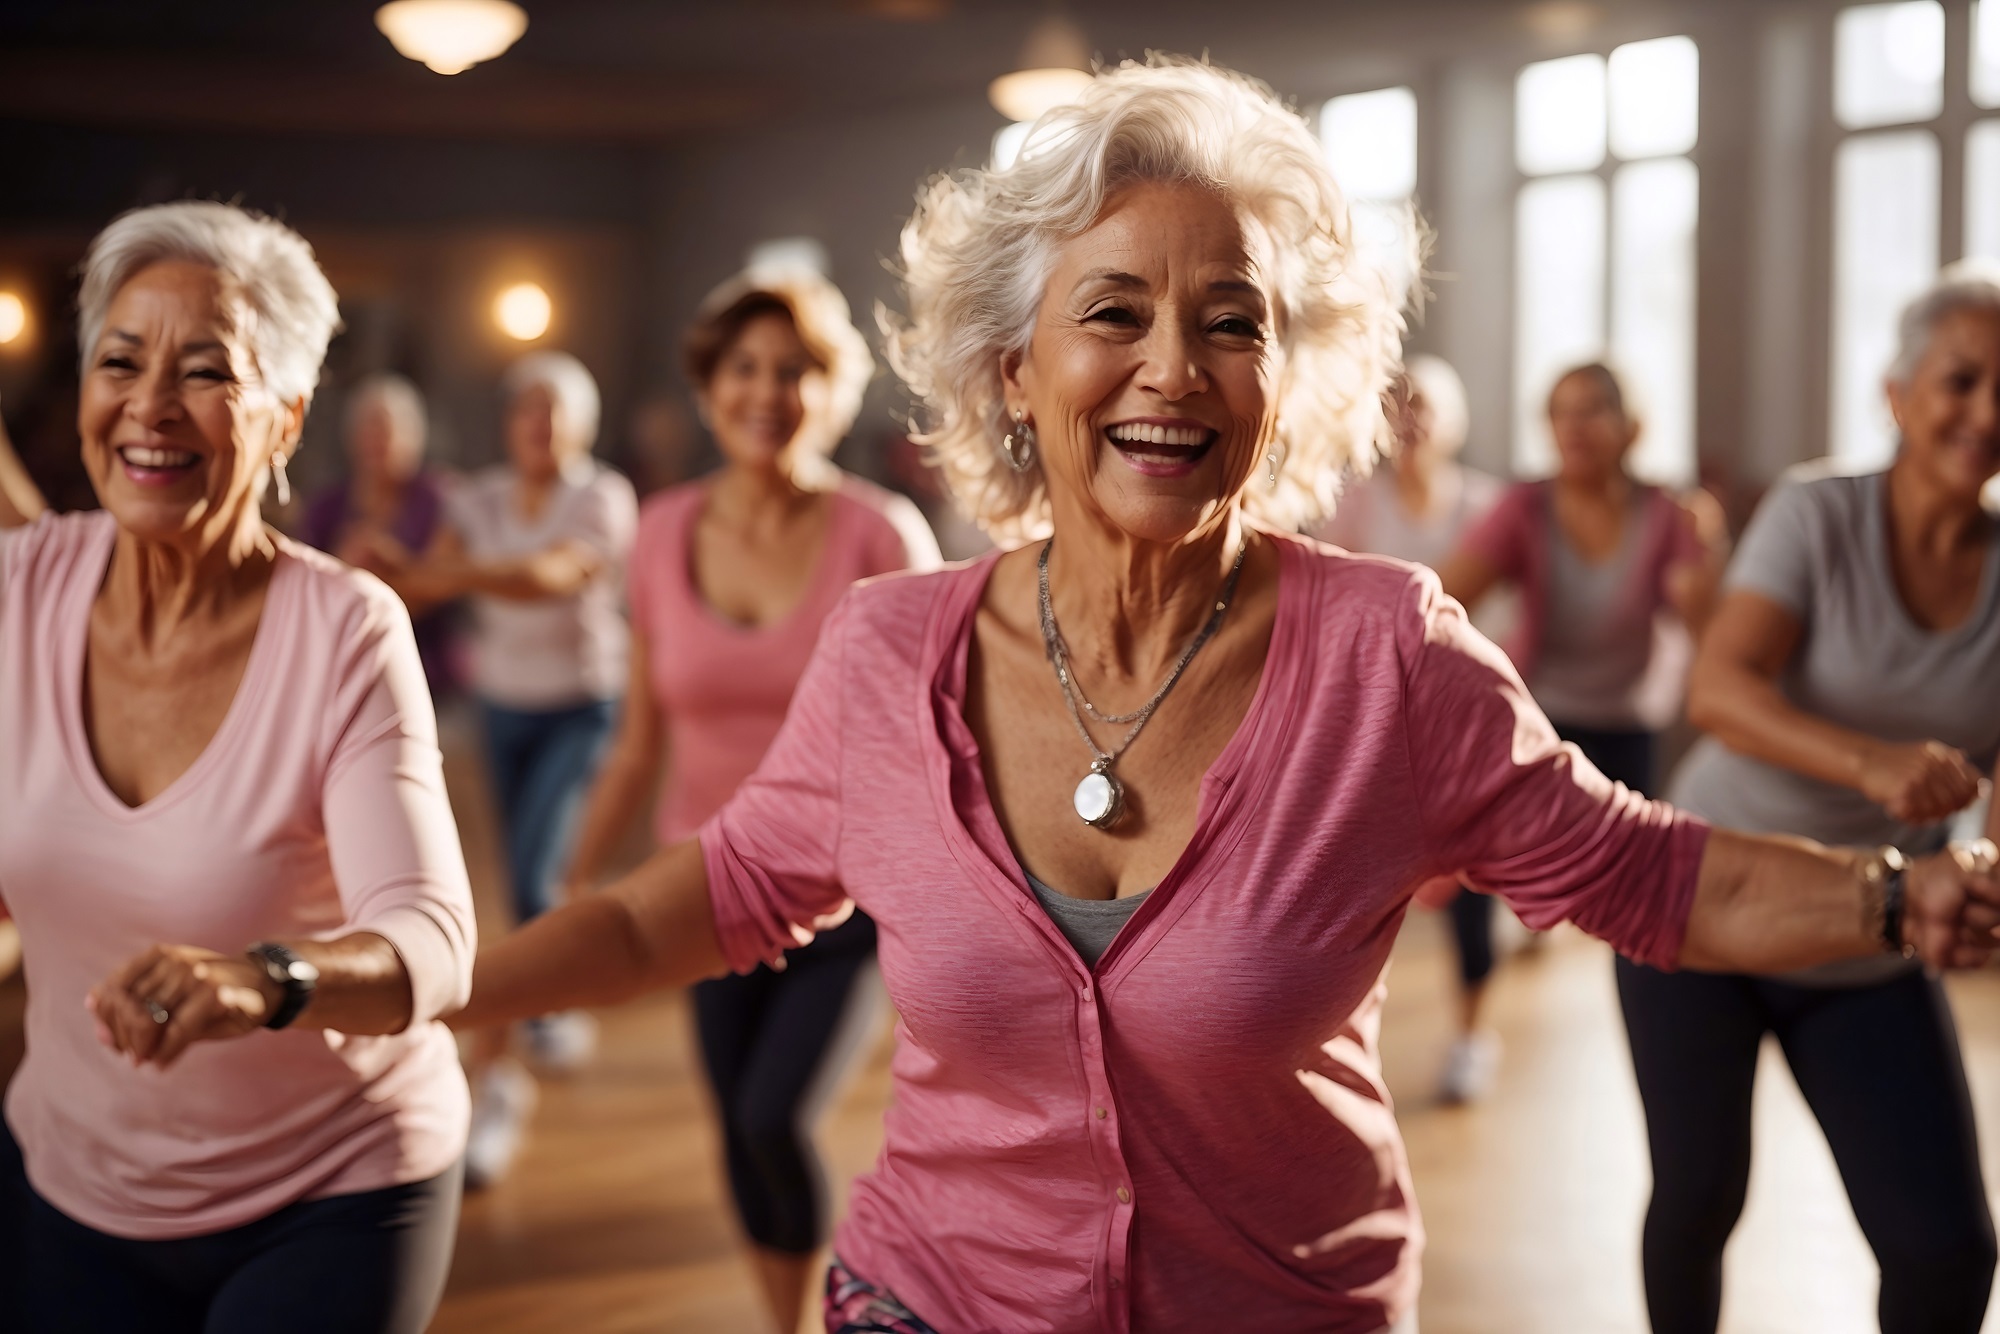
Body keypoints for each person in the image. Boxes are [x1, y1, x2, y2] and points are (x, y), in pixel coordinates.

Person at [449, 59, 2000, 1333]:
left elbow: (1659, 875)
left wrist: (1899, 898)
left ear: (1285, 375)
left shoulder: (1390, 654)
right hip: (934, 1299)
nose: (1174, 368)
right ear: (1011, 365)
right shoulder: (887, 651)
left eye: (1233, 321)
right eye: (1113, 311)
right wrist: (425, 991)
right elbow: (696, 903)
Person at [0, 201, 475, 1333]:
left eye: (205, 371)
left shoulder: (345, 628)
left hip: (337, 1187)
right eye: (120, 360)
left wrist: (266, 980)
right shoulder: (19, 591)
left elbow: (431, 938)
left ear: (286, 417)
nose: (150, 405)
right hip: (74, 1176)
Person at [560, 265, 940, 1329]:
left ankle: (829, 1307)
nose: (766, 392)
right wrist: (576, 877)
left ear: (830, 389)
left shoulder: (881, 536)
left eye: (795, 370)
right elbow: (638, 740)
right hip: (707, 893)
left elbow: (933, 742)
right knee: (734, 1120)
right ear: (707, 384)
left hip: (845, 900)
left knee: (774, 1114)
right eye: (744, 368)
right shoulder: (661, 529)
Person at [1628, 263, 2000, 1334]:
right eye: (1958, 380)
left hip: (1863, 929)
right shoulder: (1816, 511)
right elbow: (1719, 686)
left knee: (1944, 1248)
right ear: (1894, 392)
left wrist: (1978, 872)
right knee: (1698, 1195)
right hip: (1703, 895)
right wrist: (1870, 763)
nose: (1982, 413)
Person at [364, 350, 637, 1187]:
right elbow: (419, 590)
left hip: (583, 707)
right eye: (529, 411)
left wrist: (440, 571)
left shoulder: (601, 496)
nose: (541, 427)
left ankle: (500, 1084)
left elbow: (548, 577)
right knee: (522, 882)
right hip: (503, 709)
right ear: (510, 422)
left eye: (558, 413)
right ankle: (547, 1003)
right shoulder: (474, 498)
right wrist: (372, 569)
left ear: (583, 427)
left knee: (529, 875)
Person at [1316, 354, 1516, 1103]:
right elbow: (1330, 598)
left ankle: (1471, 1035)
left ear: (1453, 420)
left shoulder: (1488, 506)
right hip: (1375, 720)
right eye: (1397, 402)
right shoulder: (1357, 503)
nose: (1411, 416)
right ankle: (1342, 1033)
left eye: (1425, 404)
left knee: (1469, 888)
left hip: (1462, 720)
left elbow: (1512, 614)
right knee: (1358, 886)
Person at [1440, 362, 1722, 798]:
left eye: (1591, 410)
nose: (1572, 427)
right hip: (1537, 713)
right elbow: (1443, 602)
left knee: (1627, 854)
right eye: (1558, 412)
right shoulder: (1523, 507)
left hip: (1630, 723)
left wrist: (1708, 558)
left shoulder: (1671, 515)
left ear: (1631, 427)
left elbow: (1711, 637)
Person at [301, 373, 458, 694]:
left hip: (429, 674)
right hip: (346, 676)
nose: (379, 441)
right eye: (369, 429)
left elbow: (447, 581)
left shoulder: (440, 498)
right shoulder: (326, 507)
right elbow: (305, 595)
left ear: (415, 437)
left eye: (389, 430)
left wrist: (382, 564)